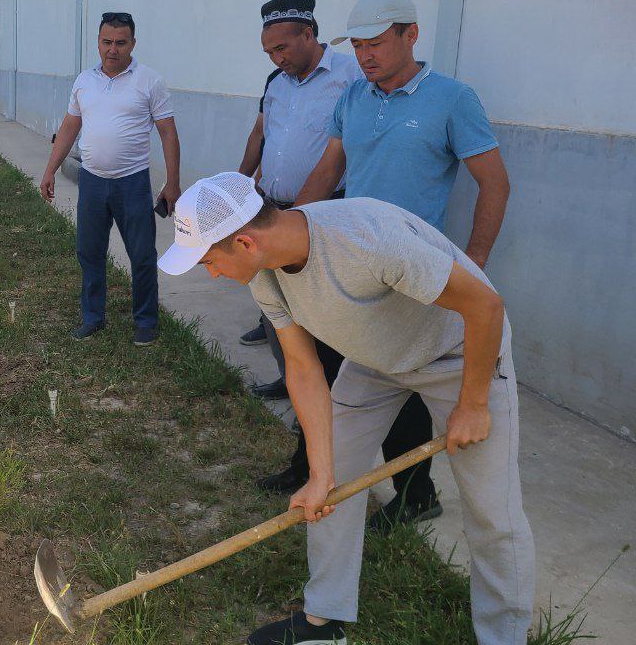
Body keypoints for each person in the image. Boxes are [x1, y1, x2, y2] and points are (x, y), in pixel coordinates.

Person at [159, 172, 533, 645]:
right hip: (376, 362)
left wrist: (474, 402)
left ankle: (505, 636)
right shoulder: (266, 277)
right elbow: (302, 368)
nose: (210, 272)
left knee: (492, 509)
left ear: (247, 242)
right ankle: (325, 620)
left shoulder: (366, 239)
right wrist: (319, 474)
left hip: (459, 356)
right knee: (330, 485)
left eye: (209, 260)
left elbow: (485, 306)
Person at [292, 0, 511, 530]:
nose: (364, 56)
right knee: (332, 369)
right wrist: (290, 230)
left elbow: (495, 184)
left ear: (410, 35)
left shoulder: (452, 99)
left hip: (417, 273)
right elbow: (327, 172)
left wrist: (474, 263)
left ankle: (415, 492)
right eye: (358, 46)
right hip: (350, 264)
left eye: (376, 44)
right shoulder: (354, 99)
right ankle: (312, 470)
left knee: (409, 384)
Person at [235, 0, 361, 405]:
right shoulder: (276, 82)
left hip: (325, 213)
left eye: (281, 48)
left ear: (308, 34)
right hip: (272, 208)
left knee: (320, 311)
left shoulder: (351, 75)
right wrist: (240, 182)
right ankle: (290, 379)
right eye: (268, 51)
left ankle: (328, 396)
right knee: (277, 307)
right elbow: (261, 134)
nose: (275, 59)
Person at [40, 11, 181, 346]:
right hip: (92, 182)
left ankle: (145, 321)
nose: (113, 49)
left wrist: (172, 183)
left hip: (131, 183)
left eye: (120, 42)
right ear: (98, 42)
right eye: (107, 42)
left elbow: (168, 134)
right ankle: (93, 318)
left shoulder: (149, 81)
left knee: (142, 254)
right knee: (89, 252)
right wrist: (49, 170)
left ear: (133, 43)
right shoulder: (84, 81)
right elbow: (70, 127)